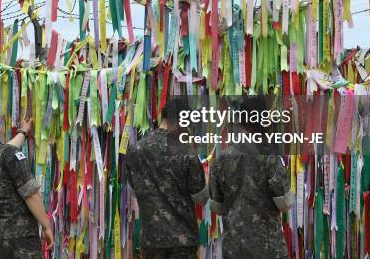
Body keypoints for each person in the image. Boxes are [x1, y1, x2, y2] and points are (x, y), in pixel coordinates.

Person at [209, 96, 293, 259]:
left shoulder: (221, 160)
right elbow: (285, 204)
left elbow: (216, 208)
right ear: (263, 123)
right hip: (269, 249)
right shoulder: (270, 158)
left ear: (240, 123)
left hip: (234, 250)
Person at [123, 98, 208, 259]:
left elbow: (135, 191)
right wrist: (209, 179)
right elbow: (201, 198)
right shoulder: (186, 153)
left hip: (151, 240)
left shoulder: (135, 151)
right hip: (183, 242)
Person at [0, 103, 53, 259]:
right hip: (18, 240)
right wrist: (46, 225)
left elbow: (3, 152)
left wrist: (23, 132)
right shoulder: (8, 154)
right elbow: (31, 194)